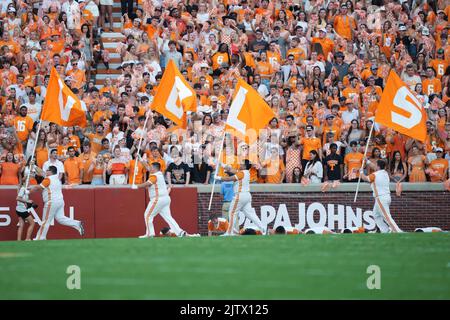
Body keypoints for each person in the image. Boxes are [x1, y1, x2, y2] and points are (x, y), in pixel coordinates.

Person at [28, 166, 85, 240]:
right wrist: (34, 166)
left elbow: (38, 188)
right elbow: (42, 172)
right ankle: (77, 223)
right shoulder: (56, 178)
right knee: (61, 218)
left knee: (45, 221)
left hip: (51, 202)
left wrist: (28, 192)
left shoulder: (48, 179)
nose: (46, 171)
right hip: (60, 202)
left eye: (47, 170)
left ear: (50, 171)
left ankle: (40, 237)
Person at [132, 162, 186, 238]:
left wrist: (137, 186)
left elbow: (148, 183)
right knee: (168, 217)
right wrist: (140, 159)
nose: (149, 168)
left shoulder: (154, 176)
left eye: (151, 167)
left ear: (154, 168)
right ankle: (179, 232)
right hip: (165, 198)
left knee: (147, 215)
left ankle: (149, 234)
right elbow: (147, 167)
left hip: (158, 198)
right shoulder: (159, 174)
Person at [215, 160, 267, 236]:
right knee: (251, 214)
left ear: (245, 166)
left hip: (240, 195)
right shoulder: (245, 172)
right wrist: (222, 164)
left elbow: (229, 178)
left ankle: (229, 232)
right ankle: (263, 228)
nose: (240, 164)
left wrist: (218, 177)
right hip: (247, 196)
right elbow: (231, 170)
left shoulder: (242, 173)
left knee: (232, 213)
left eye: (241, 163)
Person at [359, 160, 402, 233]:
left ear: (378, 166)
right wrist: (367, 161)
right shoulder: (385, 173)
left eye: (376, 164)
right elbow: (374, 168)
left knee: (387, 217)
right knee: (376, 215)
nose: (375, 166)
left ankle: (398, 231)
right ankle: (385, 230)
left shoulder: (375, 174)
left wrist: (361, 172)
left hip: (380, 198)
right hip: (385, 197)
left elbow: (365, 178)